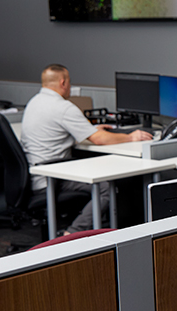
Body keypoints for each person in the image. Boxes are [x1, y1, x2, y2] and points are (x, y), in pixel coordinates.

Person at [21, 64, 151, 233]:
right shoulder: (63, 107)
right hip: (51, 177)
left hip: (37, 172)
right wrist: (131, 137)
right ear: (63, 83)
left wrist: (90, 130)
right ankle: (72, 233)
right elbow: (100, 140)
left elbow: (66, 130)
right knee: (104, 188)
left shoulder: (35, 102)